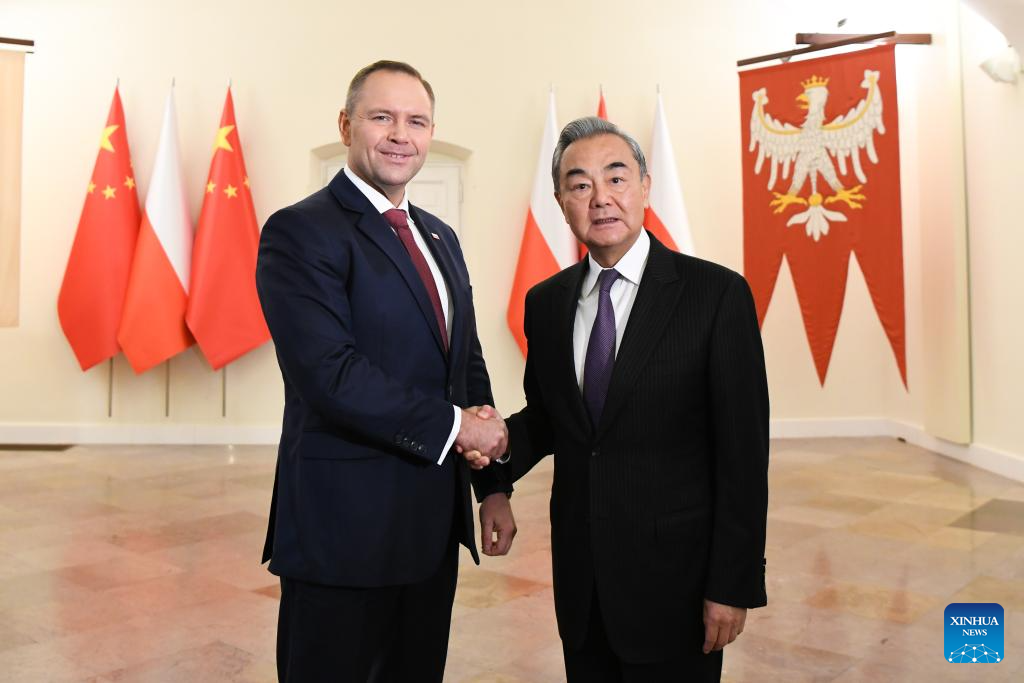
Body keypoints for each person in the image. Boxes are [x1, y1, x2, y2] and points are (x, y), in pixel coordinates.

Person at [476, 116, 770, 682]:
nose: (601, 198)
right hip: (584, 587)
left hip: (677, 588)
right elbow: (549, 420)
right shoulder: (548, 302)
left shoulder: (715, 296)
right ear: (561, 201)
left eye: (616, 178)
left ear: (644, 186)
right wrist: (493, 473)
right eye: (580, 184)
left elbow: (743, 456)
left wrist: (732, 584)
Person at [256, 60, 509, 683]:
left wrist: (493, 484)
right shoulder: (299, 231)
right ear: (346, 125)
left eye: (416, 120)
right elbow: (329, 375)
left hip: (428, 531)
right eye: (382, 117)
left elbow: (465, 364)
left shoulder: (439, 236)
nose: (401, 133)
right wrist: (460, 427)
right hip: (342, 531)